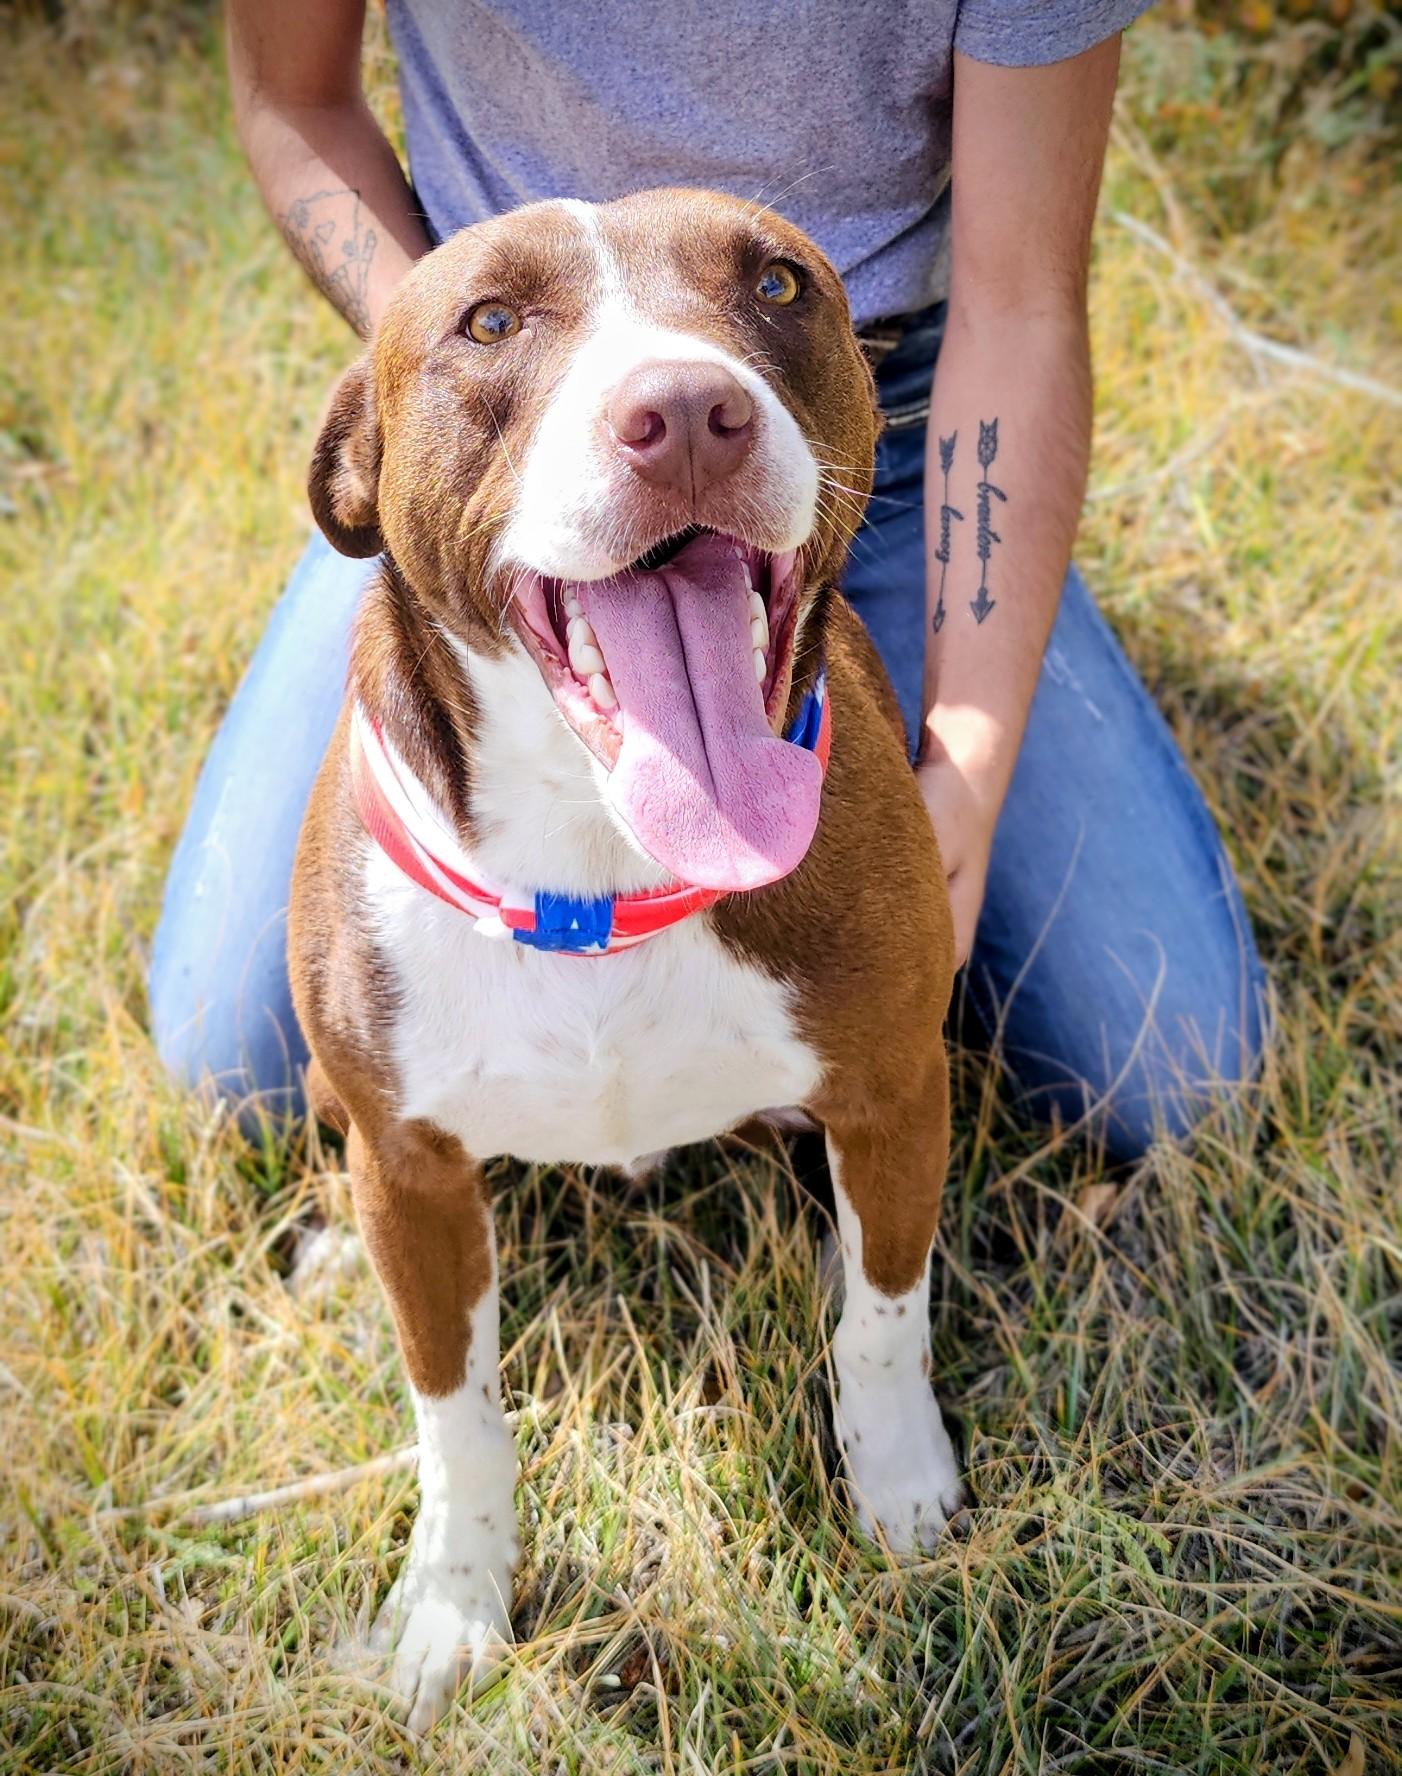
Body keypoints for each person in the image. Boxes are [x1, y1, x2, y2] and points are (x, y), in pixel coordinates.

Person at [150, 0, 1266, 1162]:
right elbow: (293, 95)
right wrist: (460, 372)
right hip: (497, 416)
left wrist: (970, 771)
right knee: (238, 1062)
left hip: (834, 399)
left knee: (1168, 1072)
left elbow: (1019, 301)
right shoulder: (459, 391)